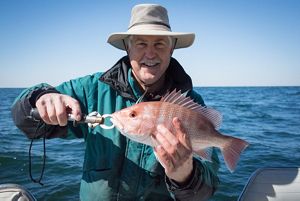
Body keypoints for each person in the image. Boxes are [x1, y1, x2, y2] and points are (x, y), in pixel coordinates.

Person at [11, 4, 220, 201]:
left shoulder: (190, 103)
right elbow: (25, 122)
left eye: (159, 43)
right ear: (127, 47)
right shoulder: (91, 89)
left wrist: (184, 175)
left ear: (172, 48)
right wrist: (41, 98)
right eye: (140, 43)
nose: (150, 53)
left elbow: (208, 189)